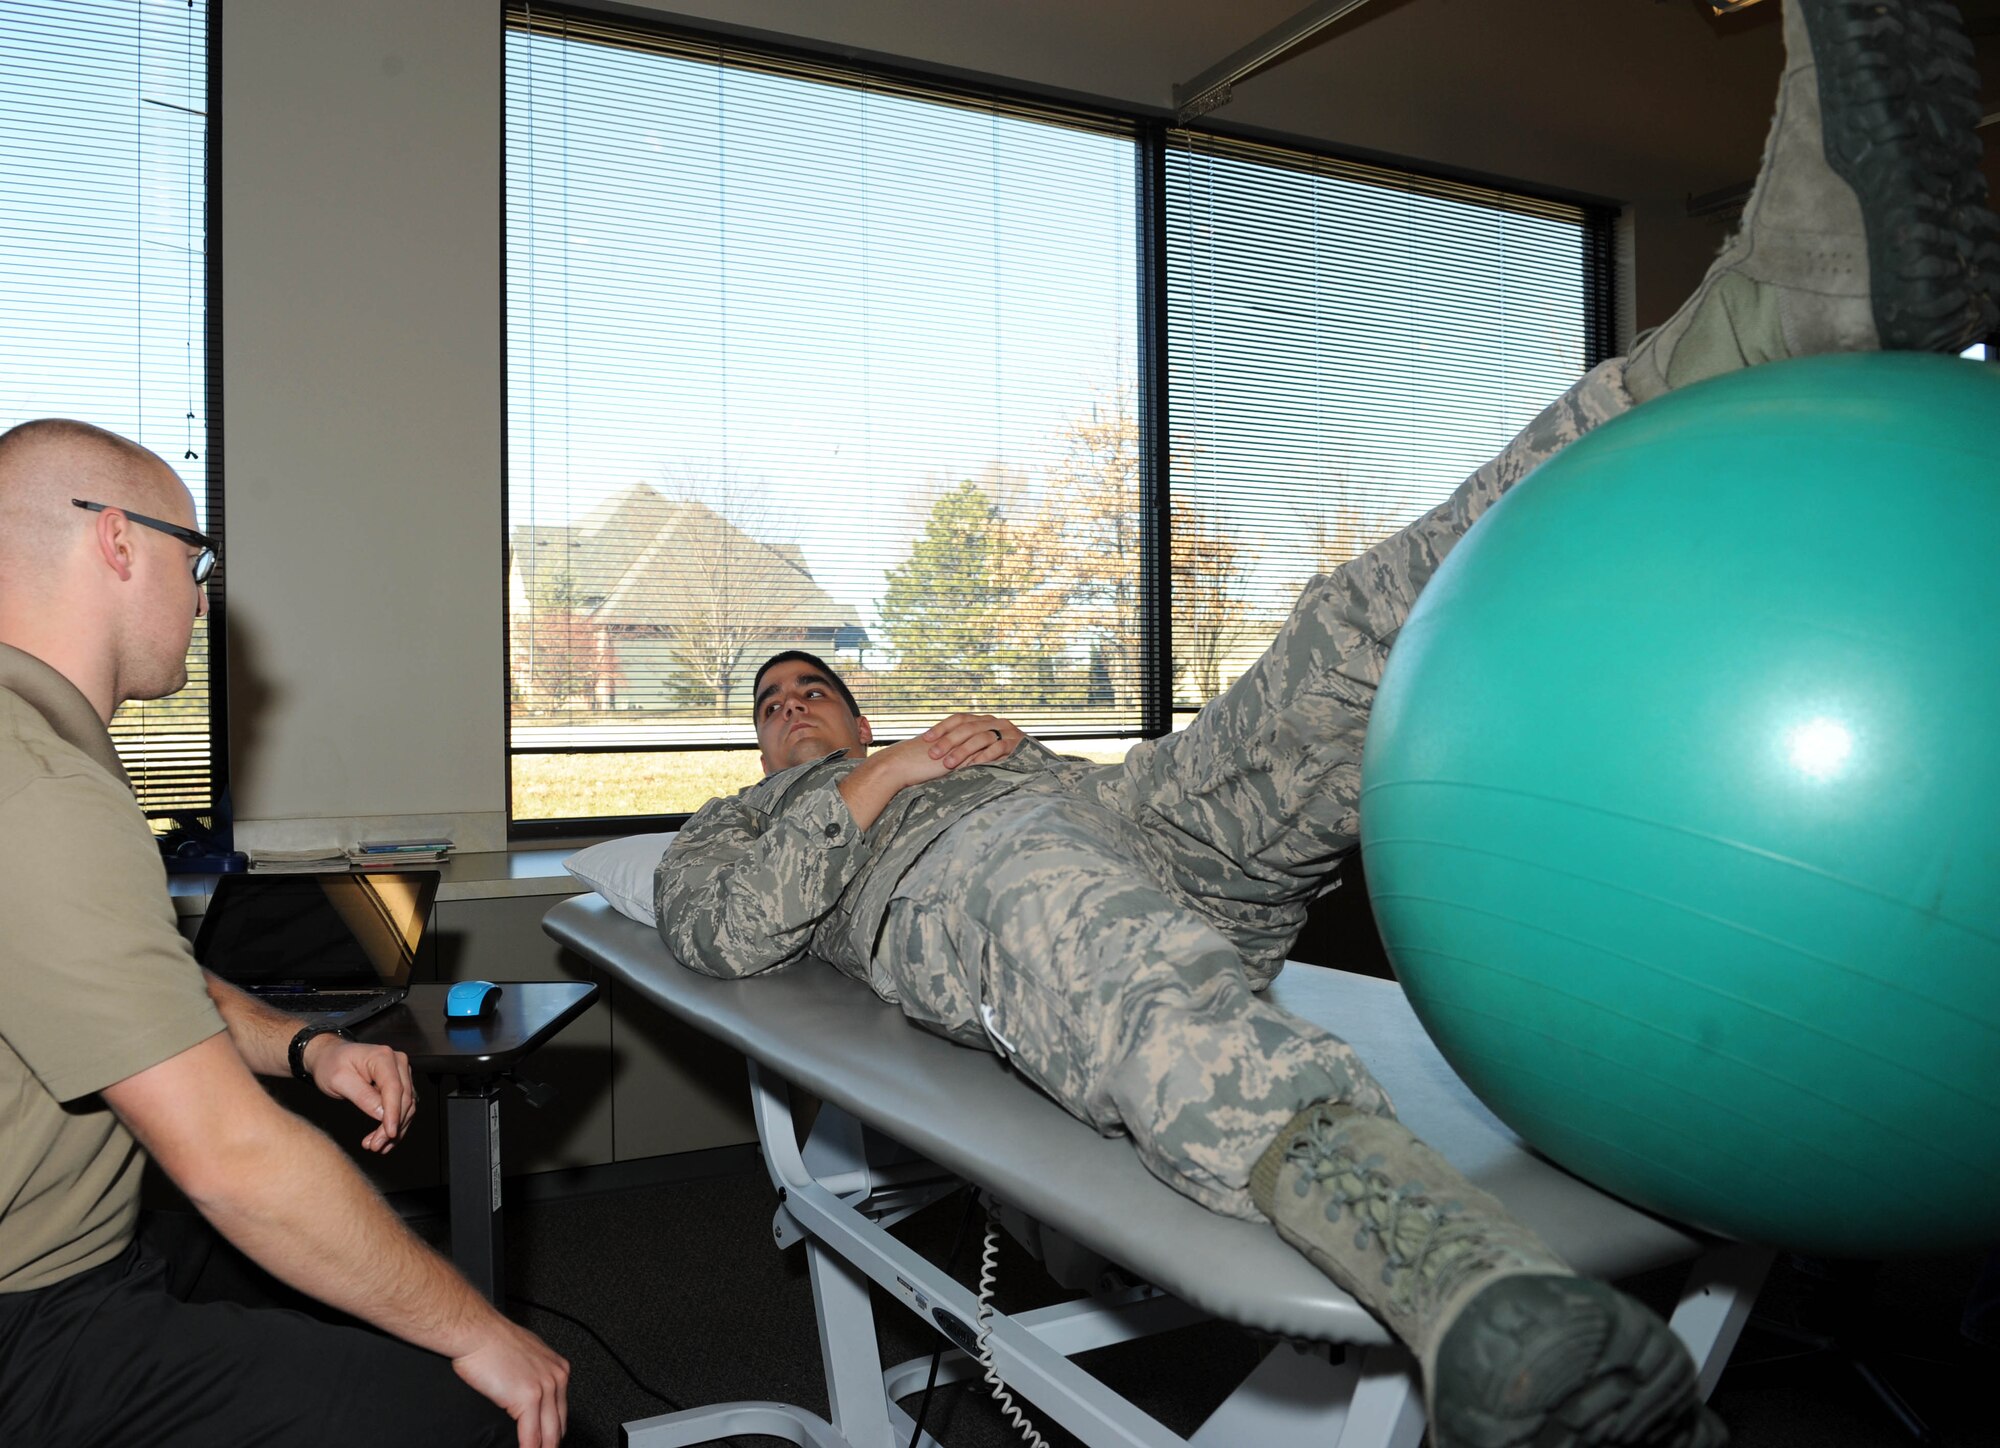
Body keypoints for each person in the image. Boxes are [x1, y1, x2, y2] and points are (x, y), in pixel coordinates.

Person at [655, 2, 2000, 1444]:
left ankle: (1777, 313)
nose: (802, 708)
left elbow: (1125, 809)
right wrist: (892, 777)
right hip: (969, 890)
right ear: (758, 750)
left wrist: (978, 765)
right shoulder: (730, 831)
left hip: (1133, 816)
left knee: (1351, 630)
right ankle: (1466, 1288)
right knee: (1058, 918)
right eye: (776, 706)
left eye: (821, 690)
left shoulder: (961, 746)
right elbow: (722, 933)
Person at [0, 419, 570, 1446]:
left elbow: (154, 976)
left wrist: (308, 1044)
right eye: (195, 555)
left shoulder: (27, 748)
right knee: (479, 1412)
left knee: (336, 1279)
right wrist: (481, 1330)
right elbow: (228, 1155)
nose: (204, 593)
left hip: (81, 1252)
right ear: (118, 542)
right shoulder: (38, 785)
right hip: (32, 1319)